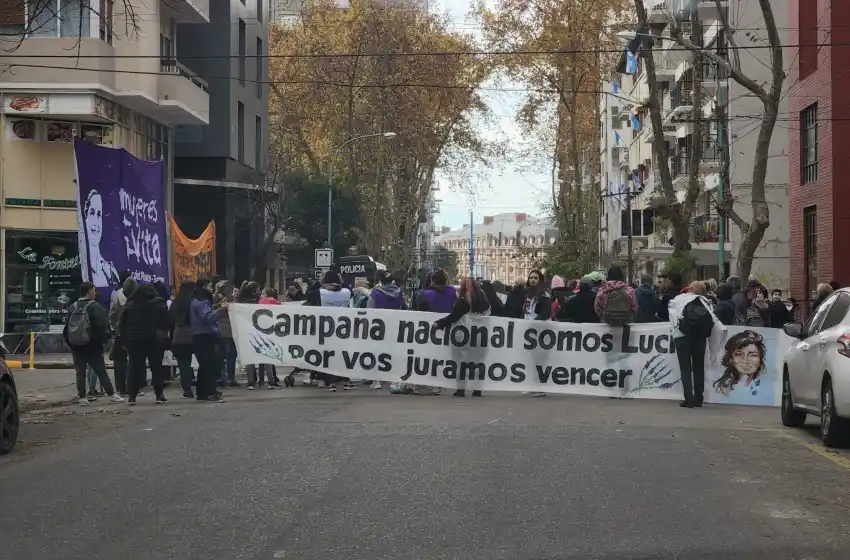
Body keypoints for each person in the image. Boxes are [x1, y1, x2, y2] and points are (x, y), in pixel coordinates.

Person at [668, 281, 726, 408]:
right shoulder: (706, 302)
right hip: (700, 338)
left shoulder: (680, 299)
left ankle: (688, 398)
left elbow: (672, 312)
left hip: (682, 337)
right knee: (698, 367)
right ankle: (699, 397)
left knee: (685, 368)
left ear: (691, 289)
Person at [63, 282, 122, 405]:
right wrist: (104, 340)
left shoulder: (72, 307)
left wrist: (71, 343)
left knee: (80, 371)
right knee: (100, 370)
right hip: (92, 345)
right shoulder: (95, 306)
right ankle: (112, 394)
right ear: (89, 291)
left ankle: (82, 397)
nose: (95, 293)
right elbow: (103, 326)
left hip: (76, 345)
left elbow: (66, 328)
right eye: (94, 291)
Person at [434, 278, 490, 397]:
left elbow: (453, 317)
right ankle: (477, 389)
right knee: (478, 362)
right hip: (480, 336)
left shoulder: (463, 301)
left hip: (464, 336)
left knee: (461, 362)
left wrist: (439, 324)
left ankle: (461, 389)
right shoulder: (485, 301)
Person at [119, 283, 170, 405]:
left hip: (134, 340)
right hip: (153, 339)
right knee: (156, 367)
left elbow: (122, 324)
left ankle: (132, 396)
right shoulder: (158, 303)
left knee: (134, 367)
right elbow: (167, 320)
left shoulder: (130, 304)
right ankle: (159, 395)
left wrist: (124, 339)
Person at [312, 271, 357, 391]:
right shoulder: (347, 292)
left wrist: (320, 283)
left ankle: (331, 383)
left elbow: (309, 296)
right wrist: (339, 284)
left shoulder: (320, 293)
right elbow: (348, 289)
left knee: (328, 356)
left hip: (326, 329)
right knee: (344, 355)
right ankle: (347, 381)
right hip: (343, 329)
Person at [190, 277, 228, 402]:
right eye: (210, 286)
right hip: (205, 336)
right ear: (204, 287)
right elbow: (208, 317)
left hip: (201, 336)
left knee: (205, 366)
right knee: (210, 366)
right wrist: (222, 310)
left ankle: (202, 393)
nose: (211, 289)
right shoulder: (201, 302)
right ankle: (210, 392)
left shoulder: (198, 300)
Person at [81, 190, 120, 288]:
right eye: (91, 213)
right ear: (85, 218)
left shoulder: (111, 271)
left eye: (99, 214)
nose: (95, 222)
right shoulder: (84, 268)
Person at [107, 274, 137, 397]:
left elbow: (111, 315)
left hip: (122, 333)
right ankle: (126, 388)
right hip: (127, 334)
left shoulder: (119, 296)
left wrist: (115, 329)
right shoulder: (126, 298)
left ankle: (122, 388)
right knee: (127, 362)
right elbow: (114, 315)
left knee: (122, 362)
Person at [171, 279, 196, 399]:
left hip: (178, 334)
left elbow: (169, 320)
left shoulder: (175, 302)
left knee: (183, 364)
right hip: (191, 334)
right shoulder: (192, 302)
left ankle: (186, 388)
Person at [255, 287, 283, 389]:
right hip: (273, 332)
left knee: (264, 356)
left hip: (261, 332)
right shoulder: (277, 303)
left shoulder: (261, 302)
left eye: (263, 293)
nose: (261, 295)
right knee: (271, 356)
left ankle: (263, 379)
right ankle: (272, 380)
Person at [215, 280, 239, 388]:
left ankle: (226, 377)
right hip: (227, 330)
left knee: (227, 356)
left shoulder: (218, 301)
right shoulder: (222, 302)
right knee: (229, 356)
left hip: (226, 330)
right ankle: (227, 378)